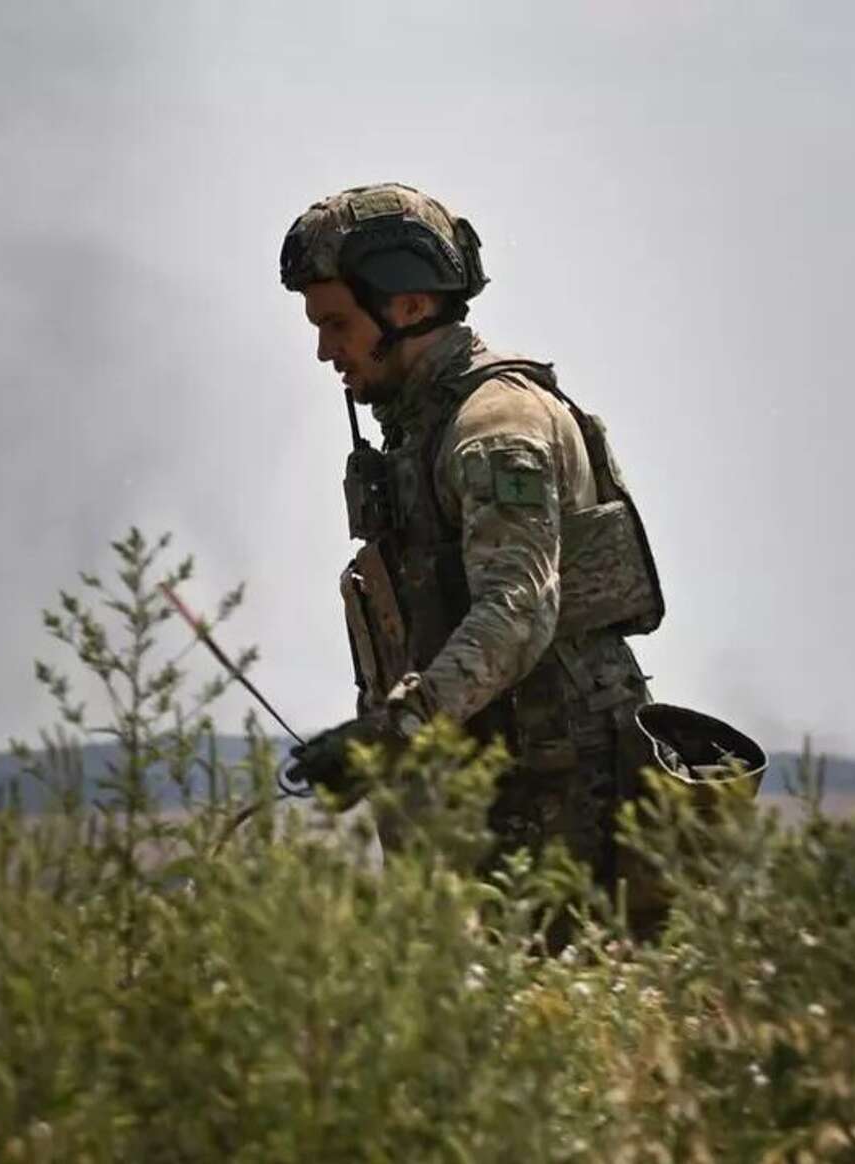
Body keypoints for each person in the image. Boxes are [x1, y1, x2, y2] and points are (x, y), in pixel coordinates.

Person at [276, 182, 670, 929]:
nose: (325, 349)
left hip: (563, 800)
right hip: (497, 792)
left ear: (409, 306)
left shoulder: (493, 430)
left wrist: (391, 735)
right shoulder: (423, 429)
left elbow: (517, 612)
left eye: (335, 322)